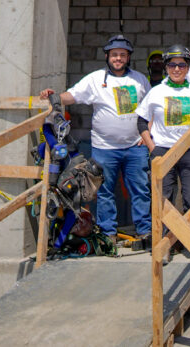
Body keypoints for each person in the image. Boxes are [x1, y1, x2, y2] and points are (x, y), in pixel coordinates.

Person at [38, 35, 151, 245]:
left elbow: (152, 108)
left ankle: (144, 232)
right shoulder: (95, 79)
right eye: (115, 54)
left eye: (123, 55)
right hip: (104, 148)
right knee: (105, 191)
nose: (118, 58)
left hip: (135, 146)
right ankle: (107, 234)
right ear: (107, 56)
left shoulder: (139, 79)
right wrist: (53, 96)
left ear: (128, 58)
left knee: (140, 189)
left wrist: (147, 134)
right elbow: (72, 96)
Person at [137, 45, 190, 239]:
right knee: (163, 197)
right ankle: (163, 244)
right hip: (163, 150)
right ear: (166, 67)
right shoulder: (156, 91)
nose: (177, 69)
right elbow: (141, 121)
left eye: (182, 65)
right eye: (172, 65)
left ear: (188, 67)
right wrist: (152, 147)